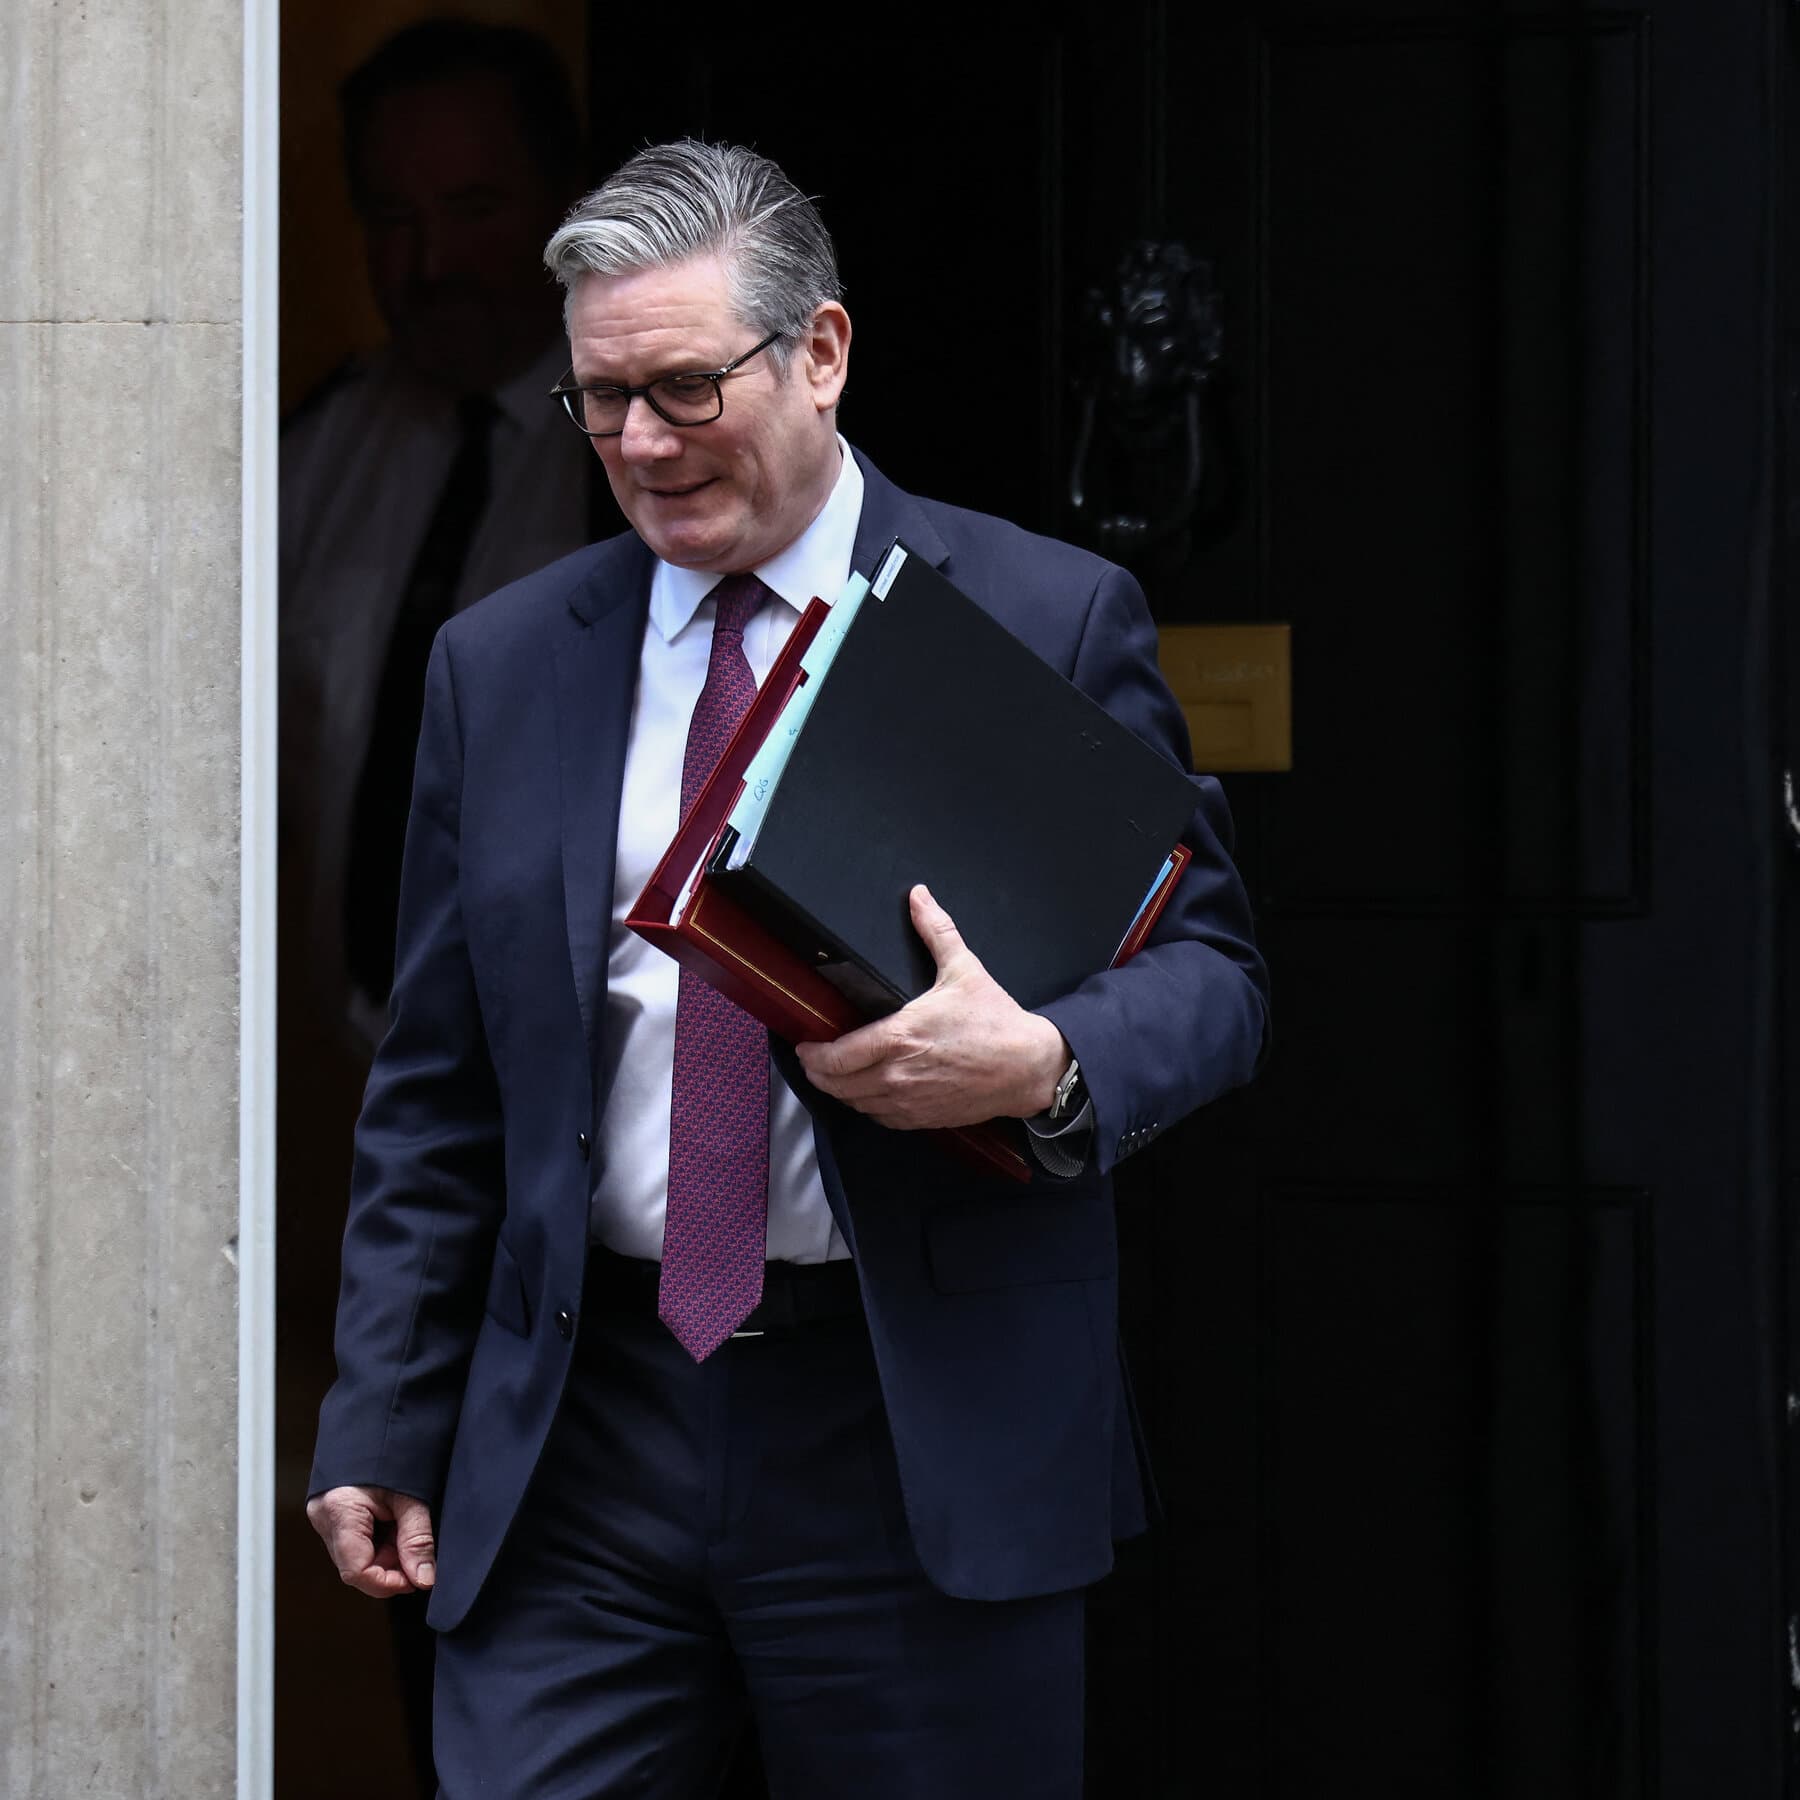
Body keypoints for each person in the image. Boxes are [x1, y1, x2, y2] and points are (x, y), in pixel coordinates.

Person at [306, 139, 1269, 1798]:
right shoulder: (508, 664)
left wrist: (1044, 1062)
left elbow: (1214, 972)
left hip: (911, 1431)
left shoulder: (1046, 614)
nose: (636, 443)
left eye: (682, 388)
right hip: (579, 1435)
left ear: (820, 352)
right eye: (598, 400)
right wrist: (386, 1410)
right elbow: (439, 1088)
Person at [280, 18, 592, 1055]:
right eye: (392, 218)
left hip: (593, 1079)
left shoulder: (651, 449)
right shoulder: (320, 443)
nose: (431, 264)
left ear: (566, 206)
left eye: (473, 209)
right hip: (364, 1073)